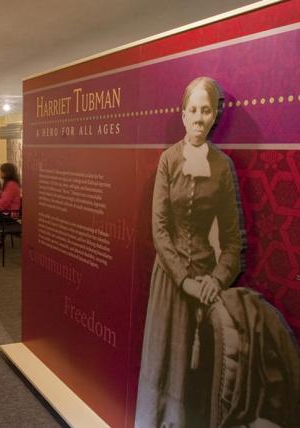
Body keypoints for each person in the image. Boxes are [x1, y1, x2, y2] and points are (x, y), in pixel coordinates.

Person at [135, 77, 244, 426]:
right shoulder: (168, 160)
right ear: (183, 115)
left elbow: (232, 240)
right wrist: (184, 280)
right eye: (193, 110)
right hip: (170, 281)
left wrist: (216, 278)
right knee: (164, 365)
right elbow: (160, 229)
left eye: (206, 110)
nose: (199, 118)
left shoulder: (223, 167)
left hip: (207, 287)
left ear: (215, 117)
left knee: (197, 379)